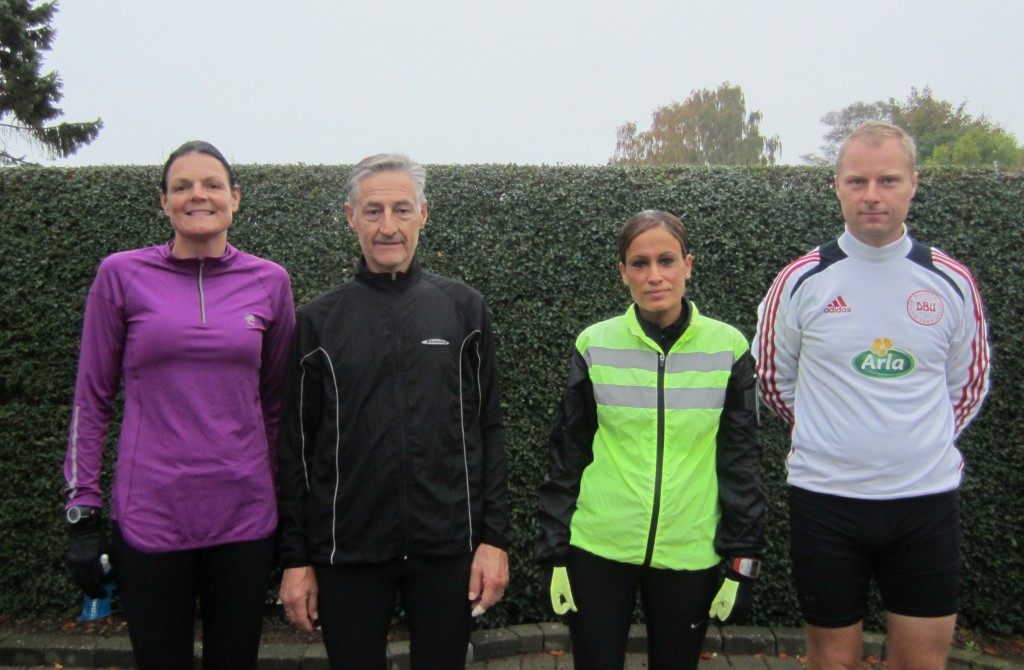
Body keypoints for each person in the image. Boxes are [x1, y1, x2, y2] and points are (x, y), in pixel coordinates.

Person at [753, 120, 991, 670]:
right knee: (832, 663)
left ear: (913, 183)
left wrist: (916, 439)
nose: (872, 196)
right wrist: (827, 430)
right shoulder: (802, 280)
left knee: (922, 664)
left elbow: (968, 383)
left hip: (924, 503)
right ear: (836, 185)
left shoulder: (950, 281)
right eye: (857, 181)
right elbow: (771, 377)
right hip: (827, 502)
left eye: (887, 180)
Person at [62, 140, 296, 669]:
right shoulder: (120, 276)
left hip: (246, 518)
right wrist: (82, 511)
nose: (198, 195)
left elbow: (280, 408)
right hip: (150, 517)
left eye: (212, 184)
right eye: (182, 186)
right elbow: (91, 400)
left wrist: (293, 511)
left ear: (235, 198)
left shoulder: (271, 281)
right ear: (163, 201)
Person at [276, 153, 511, 669]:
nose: (388, 226)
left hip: (447, 548)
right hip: (350, 554)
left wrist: (494, 539)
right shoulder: (317, 322)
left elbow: (488, 428)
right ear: (350, 216)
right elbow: (295, 446)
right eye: (374, 210)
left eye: (402, 210)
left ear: (423, 214)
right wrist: (296, 559)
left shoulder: (464, 310)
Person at [535, 210, 765, 670]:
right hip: (598, 546)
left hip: (690, 547)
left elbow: (740, 459)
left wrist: (743, 561)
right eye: (639, 264)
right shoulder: (594, 344)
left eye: (666, 260)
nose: (654, 276)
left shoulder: (729, 347)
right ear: (623, 273)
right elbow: (568, 453)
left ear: (688, 265)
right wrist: (552, 551)